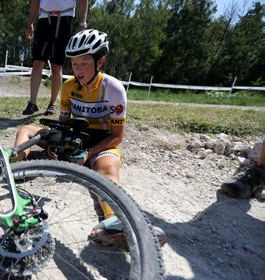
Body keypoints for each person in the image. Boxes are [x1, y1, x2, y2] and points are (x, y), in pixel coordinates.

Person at [14, 29, 166, 247]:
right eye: (74, 64)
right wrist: (55, 148)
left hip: (102, 141)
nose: (77, 69)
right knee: (27, 130)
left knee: (106, 172)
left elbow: (116, 137)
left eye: (83, 63)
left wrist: (89, 153)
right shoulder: (67, 87)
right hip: (76, 136)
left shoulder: (113, 88)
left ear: (100, 61)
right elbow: (63, 124)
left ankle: (117, 224)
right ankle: (15, 166)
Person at [22, 0, 88, 116]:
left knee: (56, 65)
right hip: (43, 20)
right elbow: (35, 2)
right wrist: (30, 23)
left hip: (64, 19)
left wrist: (82, 22)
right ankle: (32, 103)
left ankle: (52, 102)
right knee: (37, 62)